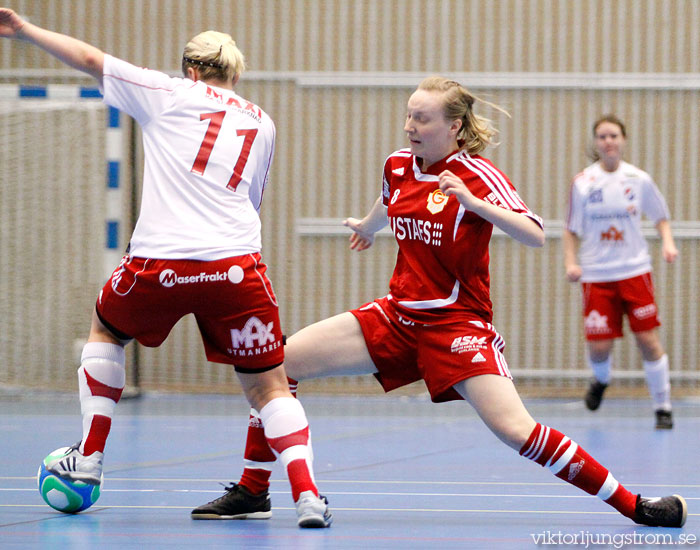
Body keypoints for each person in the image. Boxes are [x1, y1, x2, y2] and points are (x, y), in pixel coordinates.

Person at [191, 77, 687, 528]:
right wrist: (368, 226)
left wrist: (475, 205)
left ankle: (635, 505)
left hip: (457, 327)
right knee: (278, 363)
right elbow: (390, 198)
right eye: (408, 115)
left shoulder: (477, 174)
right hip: (398, 315)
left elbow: (535, 234)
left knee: (519, 432)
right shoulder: (397, 164)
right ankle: (254, 488)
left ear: (453, 127)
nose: (410, 125)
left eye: (421, 118)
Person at [0, 7, 331, 528]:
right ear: (236, 75)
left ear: (190, 70)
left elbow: (89, 58)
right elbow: (253, 200)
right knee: (269, 386)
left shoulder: (168, 92)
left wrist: (23, 30)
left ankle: (87, 460)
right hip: (236, 267)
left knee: (106, 331)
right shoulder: (262, 120)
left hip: (161, 264)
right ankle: (309, 496)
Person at [563, 115, 678, 430]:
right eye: (601, 136)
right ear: (596, 142)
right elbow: (570, 229)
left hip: (634, 271)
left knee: (648, 340)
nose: (608, 141)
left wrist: (667, 243)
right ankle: (601, 381)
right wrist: (571, 263)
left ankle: (663, 407)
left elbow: (661, 217)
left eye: (613, 135)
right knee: (599, 347)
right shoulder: (583, 183)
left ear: (623, 140)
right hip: (597, 275)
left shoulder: (638, 179)